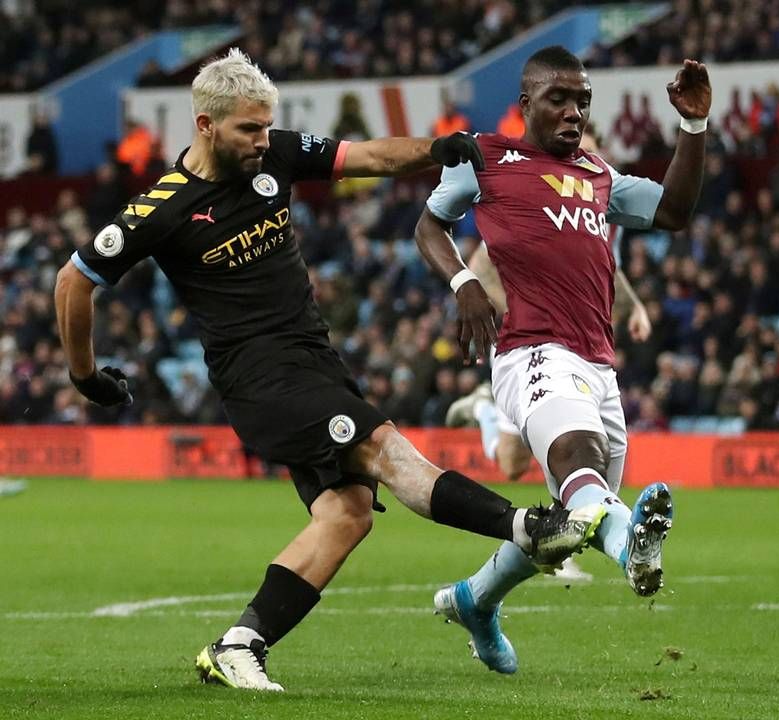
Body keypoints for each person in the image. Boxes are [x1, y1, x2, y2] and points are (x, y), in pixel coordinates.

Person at [54, 48, 606, 692]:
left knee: (347, 514)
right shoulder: (164, 208)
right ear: (205, 125)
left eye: (267, 126)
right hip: (261, 378)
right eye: (249, 130)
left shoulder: (278, 154)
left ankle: (239, 645)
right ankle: (529, 527)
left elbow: (368, 157)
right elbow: (74, 280)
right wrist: (86, 376)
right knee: (383, 449)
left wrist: (440, 149)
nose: (265, 141)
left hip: (314, 361)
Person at [415, 46, 709, 673]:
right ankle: (631, 541)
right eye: (559, 99)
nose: (573, 112)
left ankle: (475, 601)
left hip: (599, 366)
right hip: (530, 351)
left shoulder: (600, 175)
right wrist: (464, 283)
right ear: (526, 105)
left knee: (568, 519)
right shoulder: (486, 160)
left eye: (582, 101)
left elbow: (677, 211)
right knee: (580, 464)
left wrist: (693, 127)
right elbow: (428, 226)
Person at [444, 127, 653, 582]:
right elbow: (482, 264)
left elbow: (602, 270)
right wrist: (519, 308)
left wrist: (633, 306)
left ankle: (476, 597)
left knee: (522, 463)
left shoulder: (599, 199)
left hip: (584, 350)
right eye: (585, 151)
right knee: (547, 453)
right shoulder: (532, 196)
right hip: (529, 344)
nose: (589, 159)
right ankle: (601, 543)